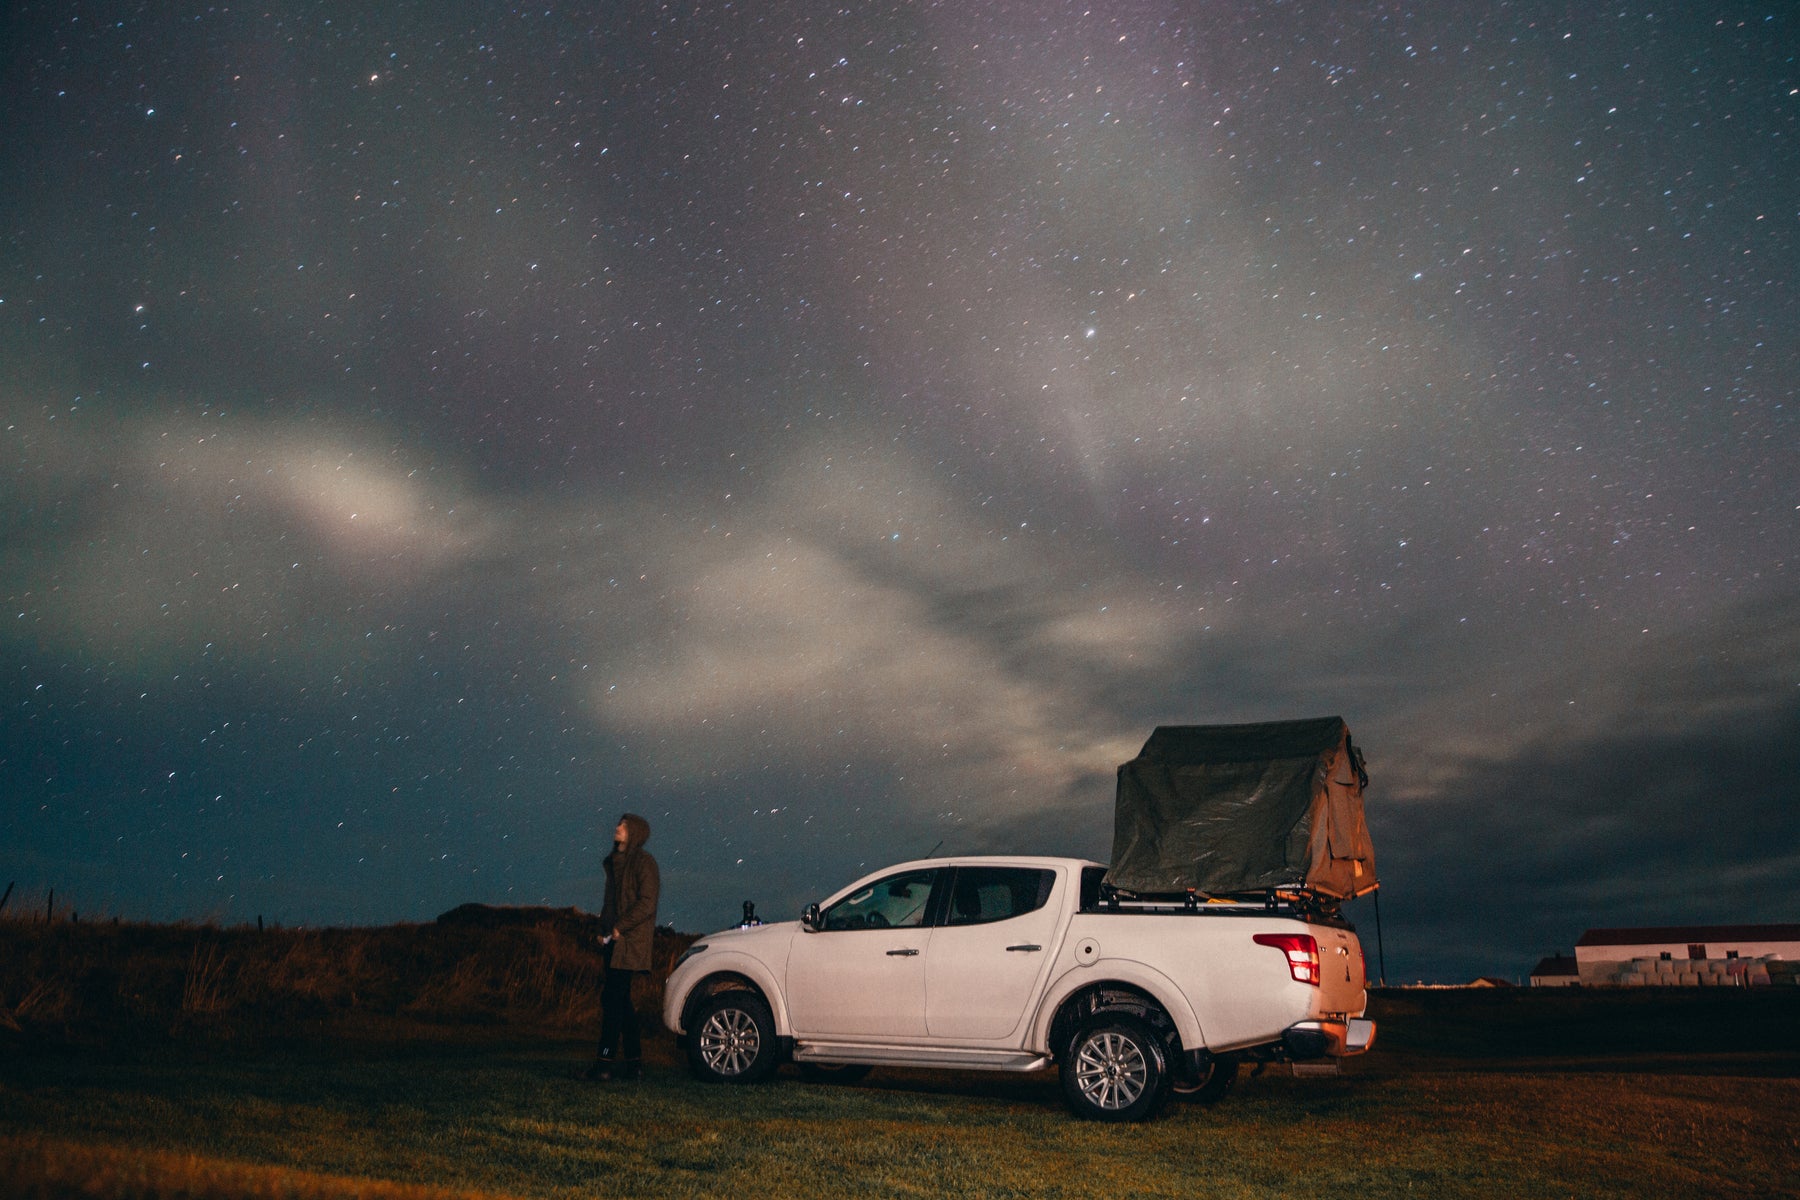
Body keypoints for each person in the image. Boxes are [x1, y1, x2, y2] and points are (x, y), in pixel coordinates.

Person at [583, 812, 660, 1081]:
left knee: (613, 1002)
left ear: (635, 833)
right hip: (613, 941)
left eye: (624, 826)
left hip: (629, 943)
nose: (617, 828)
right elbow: (611, 903)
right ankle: (634, 1064)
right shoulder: (615, 862)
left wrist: (620, 927)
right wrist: (603, 929)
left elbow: (647, 902)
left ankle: (604, 1064)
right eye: (619, 824)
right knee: (621, 1003)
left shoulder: (643, 862)